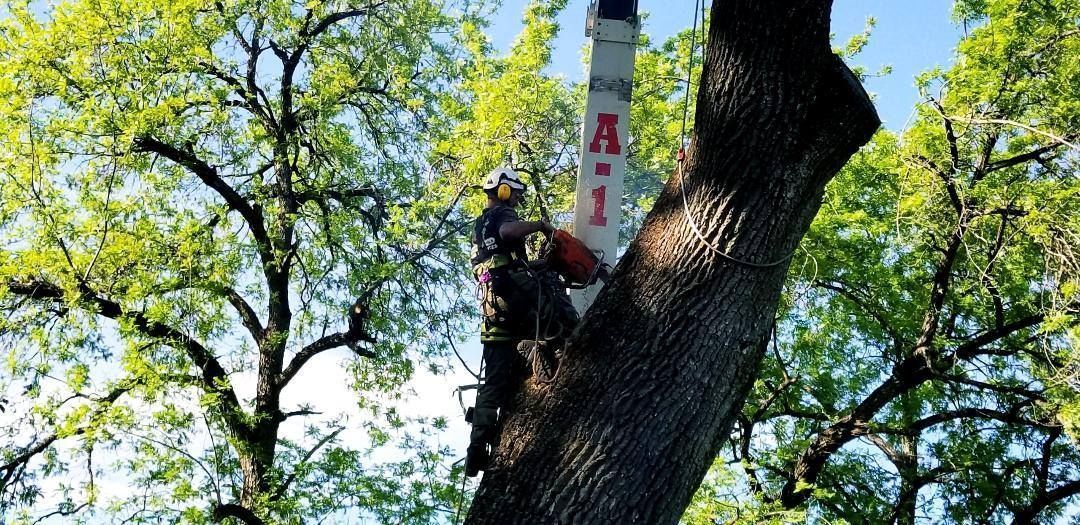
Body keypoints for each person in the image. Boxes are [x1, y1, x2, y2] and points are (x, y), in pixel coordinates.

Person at [465, 167, 556, 477]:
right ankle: (537, 349)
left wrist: (544, 262)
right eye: (515, 193)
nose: (517, 200)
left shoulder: (479, 227)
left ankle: (477, 447)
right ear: (502, 190)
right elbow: (509, 234)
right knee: (558, 326)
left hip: (493, 308)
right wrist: (541, 226)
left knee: (494, 382)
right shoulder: (501, 216)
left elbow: (507, 261)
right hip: (512, 295)